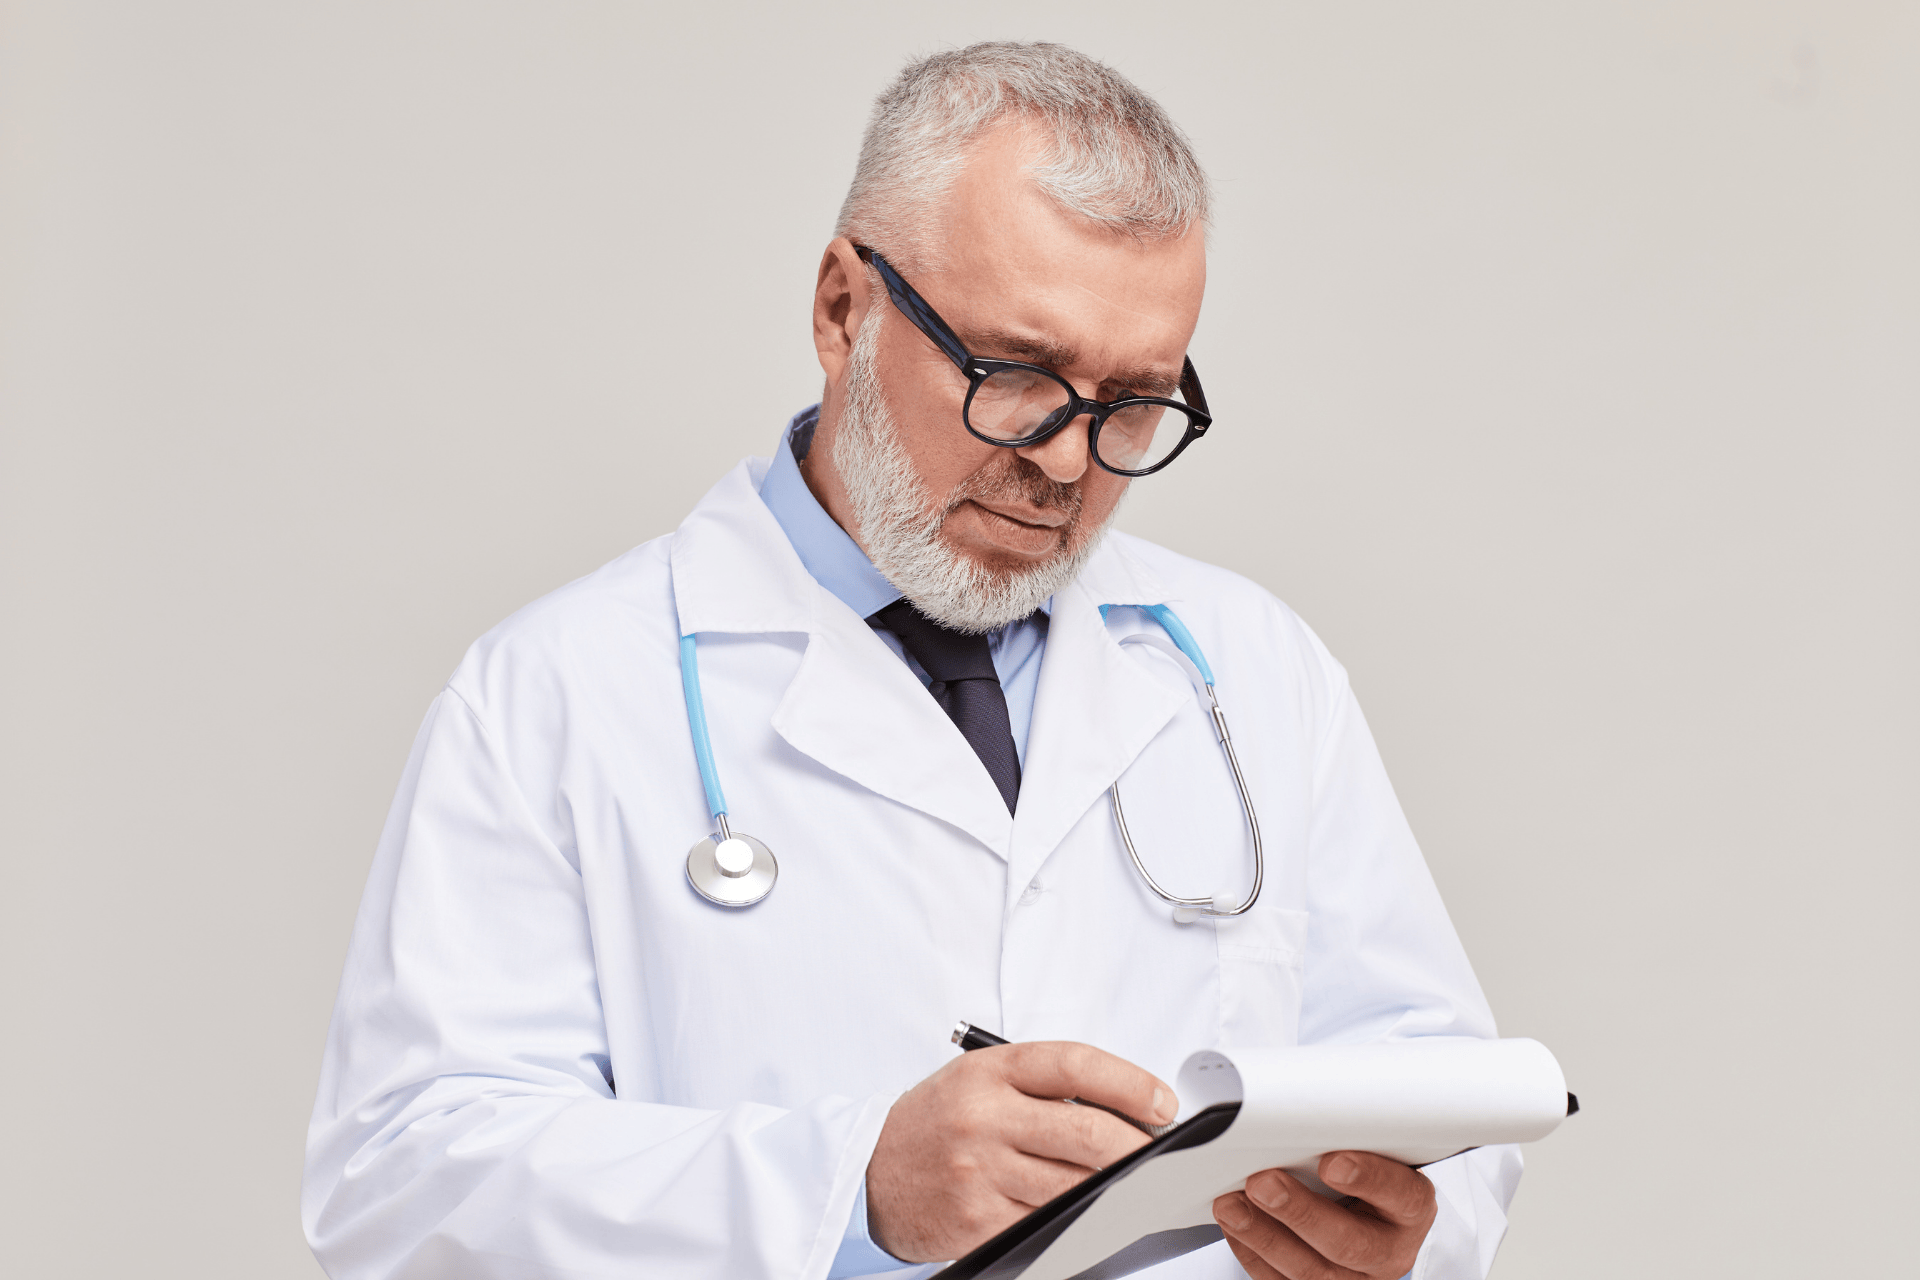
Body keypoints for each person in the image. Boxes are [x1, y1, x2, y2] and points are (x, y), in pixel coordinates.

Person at [304, 42, 1521, 1280]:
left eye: (1133, 402)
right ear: (845, 308)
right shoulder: (555, 691)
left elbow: (1440, 1100)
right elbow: (402, 1185)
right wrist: (851, 1188)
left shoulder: (1256, 668)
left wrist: (1399, 1234)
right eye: (1016, 376)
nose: (1064, 461)